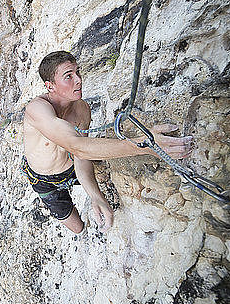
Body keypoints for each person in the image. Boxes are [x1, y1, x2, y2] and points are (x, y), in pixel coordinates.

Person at [22, 51, 194, 234]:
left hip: (70, 168)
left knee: (114, 174)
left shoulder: (82, 110)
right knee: (78, 228)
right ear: (50, 86)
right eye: (68, 76)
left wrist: (96, 196)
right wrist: (144, 145)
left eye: (77, 72)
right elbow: (76, 146)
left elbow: (81, 156)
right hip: (43, 179)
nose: (78, 80)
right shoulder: (37, 109)